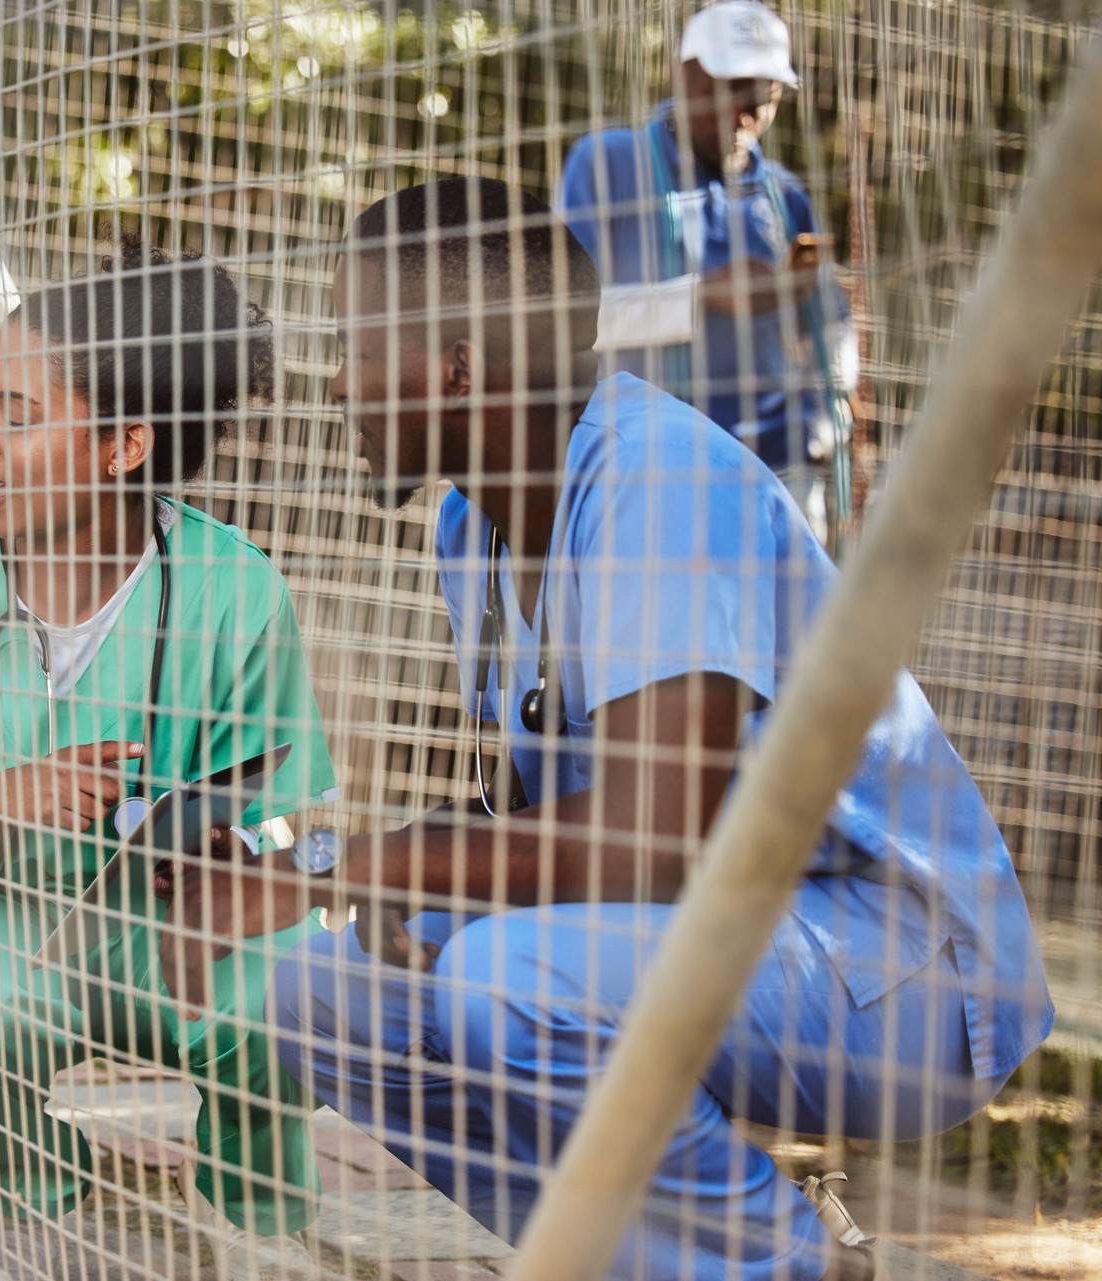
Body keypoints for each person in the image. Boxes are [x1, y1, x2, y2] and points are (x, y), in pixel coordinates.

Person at [160, 179, 1052, 1280]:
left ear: (456, 367)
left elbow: (647, 843)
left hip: (906, 976)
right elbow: (540, 815)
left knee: (504, 977)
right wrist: (330, 867)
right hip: (731, 941)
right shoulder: (467, 525)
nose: (338, 382)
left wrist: (365, 868)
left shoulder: (658, 481)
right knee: (321, 992)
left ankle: (791, 1268)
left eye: (356, 345)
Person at [0, 236, 340, 1266]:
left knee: (293, 978)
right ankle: (33, 1183)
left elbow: (294, 814)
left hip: (157, 921)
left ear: (126, 445)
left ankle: (253, 1198)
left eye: (17, 416)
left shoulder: (235, 589)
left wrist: (239, 862)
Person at [555, 0, 856, 540]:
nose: (745, 113)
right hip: (649, 466)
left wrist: (825, 418)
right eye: (729, 88)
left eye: (762, 95)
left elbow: (831, 323)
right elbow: (564, 317)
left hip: (774, 467)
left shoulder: (783, 194)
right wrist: (702, 298)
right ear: (683, 79)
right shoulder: (609, 164)